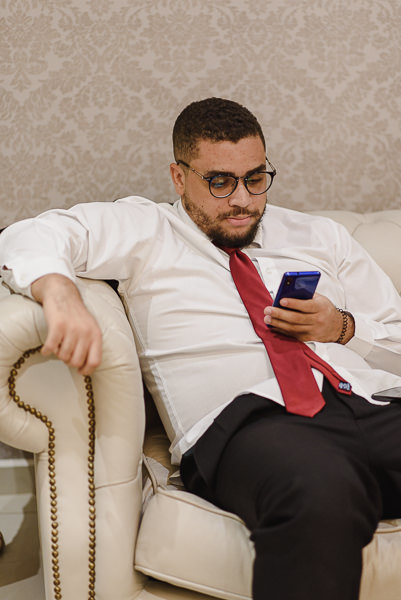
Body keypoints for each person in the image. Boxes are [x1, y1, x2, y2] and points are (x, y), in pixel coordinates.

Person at [1, 97, 401, 600]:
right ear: (178, 176)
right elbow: (31, 233)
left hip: (371, 403)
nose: (243, 200)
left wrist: (341, 327)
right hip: (250, 425)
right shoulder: (146, 231)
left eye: (256, 178)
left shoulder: (321, 236)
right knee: (321, 490)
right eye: (220, 182)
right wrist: (60, 293)